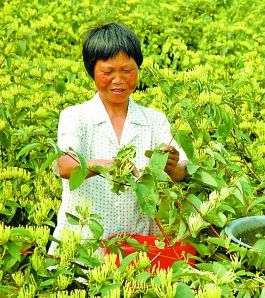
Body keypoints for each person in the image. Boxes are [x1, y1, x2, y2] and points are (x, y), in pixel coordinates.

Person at [50, 22, 188, 253]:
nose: (118, 79)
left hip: (139, 247)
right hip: (82, 250)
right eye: (108, 72)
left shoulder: (154, 120)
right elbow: (65, 165)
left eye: (127, 71)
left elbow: (182, 171)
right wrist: (110, 166)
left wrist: (172, 166)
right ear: (92, 71)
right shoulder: (76, 117)